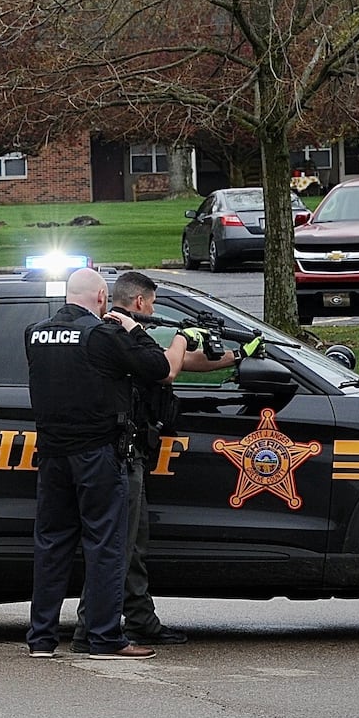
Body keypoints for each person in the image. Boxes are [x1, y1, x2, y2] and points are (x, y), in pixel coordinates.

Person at [69, 270, 248, 652]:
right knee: (116, 543)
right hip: (119, 450)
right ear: (138, 301)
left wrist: (238, 355)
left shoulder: (136, 329)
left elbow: (180, 360)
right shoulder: (114, 333)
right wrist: (182, 339)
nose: (153, 309)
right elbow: (167, 369)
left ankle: (140, 619)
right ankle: (92, 626)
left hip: (134, 452)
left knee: (133, 544)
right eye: (151, 302)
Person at [22, 266, 178, 660]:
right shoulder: (102, 334)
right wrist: (131, 327)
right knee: (104, 545)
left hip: (53, 454)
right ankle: (105, 639)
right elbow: (158, 368)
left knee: (51, 545)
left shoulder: (35, 334)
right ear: (102, 299)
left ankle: (41, 639)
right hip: (98, 455)